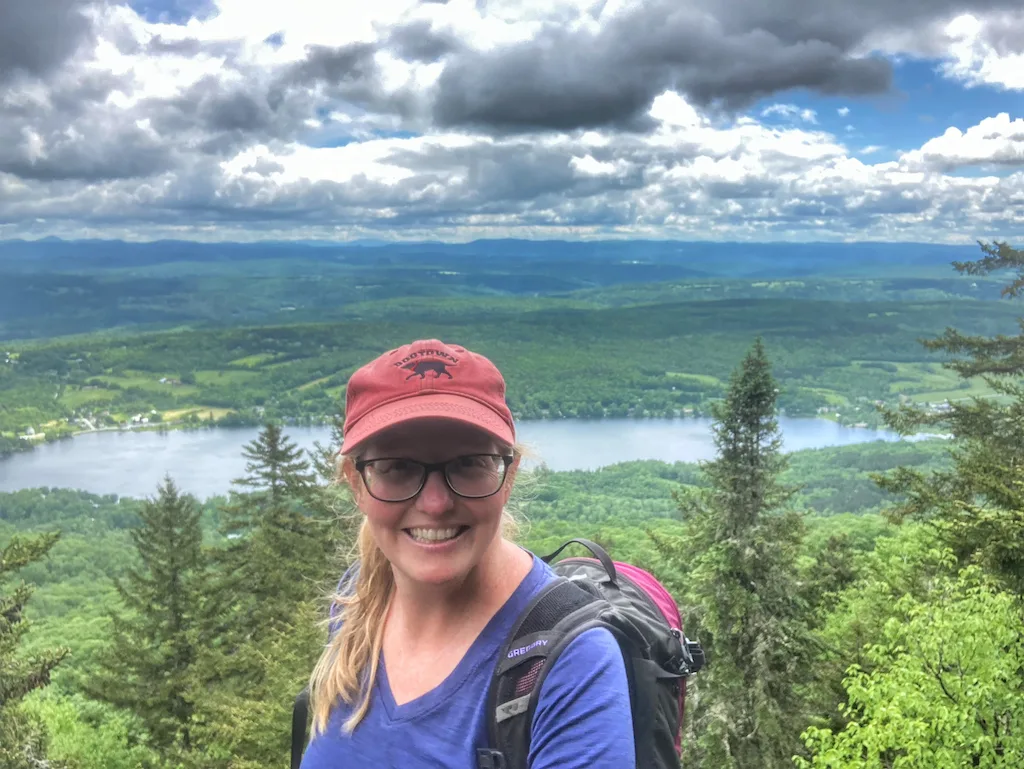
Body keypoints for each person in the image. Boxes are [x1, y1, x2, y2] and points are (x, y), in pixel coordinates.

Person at [299, 339, 635, 768]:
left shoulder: (572, 664)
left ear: (508, 474)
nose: (436, 504)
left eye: (467, 463)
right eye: (397, 467)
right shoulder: (355, 601)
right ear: (356, 481)